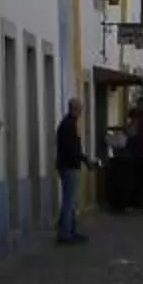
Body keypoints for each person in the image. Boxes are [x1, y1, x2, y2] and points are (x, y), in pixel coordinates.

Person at [53, 101, 87, 244]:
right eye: (79, 110)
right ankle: (65, 233)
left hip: (68, 165)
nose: (80, 113)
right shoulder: (68, 125)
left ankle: (70, 231)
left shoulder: (68, 124)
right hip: (69, 166)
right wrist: (84, 159)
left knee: (71, 201)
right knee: (69, 201)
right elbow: (71, 149)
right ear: (74, 109)